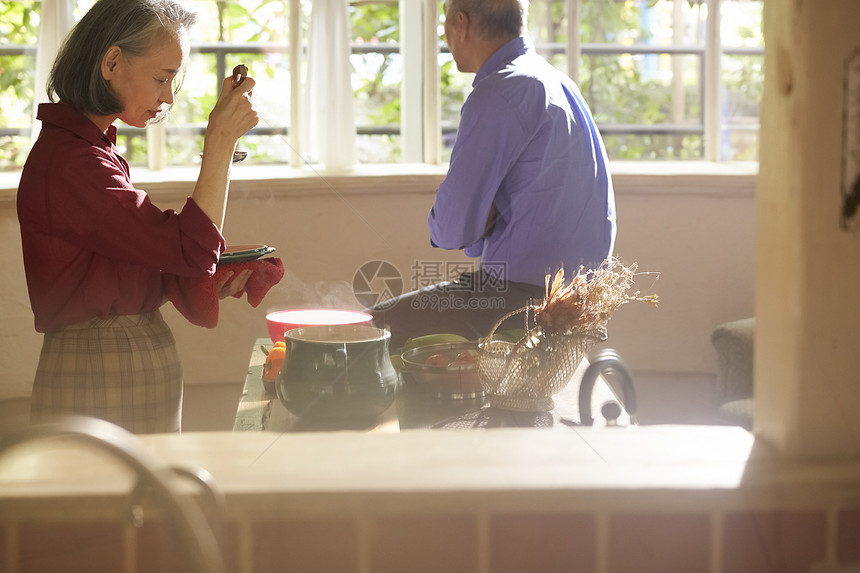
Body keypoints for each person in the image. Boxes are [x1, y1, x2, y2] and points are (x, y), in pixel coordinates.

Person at [17, 0, 259, 433]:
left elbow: (154, 263)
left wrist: (212, 272)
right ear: (112, 61)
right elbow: (188, 251)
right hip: (102, 365)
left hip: (122, 358)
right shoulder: (73, 163)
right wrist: (220, 141)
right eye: (162, 77)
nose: (168, 96)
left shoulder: (91, 151)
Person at [372, 0, 616, 349]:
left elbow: (451, 228)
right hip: (576, 301)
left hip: (520, 303)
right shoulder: (558, 83)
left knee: (365, 330)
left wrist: (481, 217)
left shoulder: (502, 91)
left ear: (461, 24)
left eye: (445, 23)